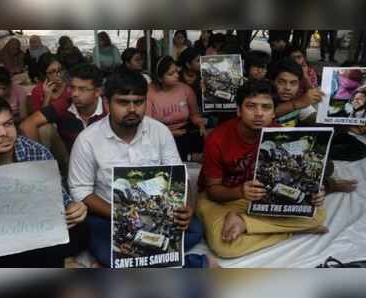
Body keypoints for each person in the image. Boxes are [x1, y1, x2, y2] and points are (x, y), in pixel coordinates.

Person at [68, 70, 212, 268]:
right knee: (106, 246)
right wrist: (120, 214)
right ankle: (194, 264)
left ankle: (133, 258)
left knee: (194, 229)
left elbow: (178, 175)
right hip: (109, 217)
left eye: (138, 102)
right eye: (123, 102)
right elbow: (80, 190)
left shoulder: (159, 131)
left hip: (158, 214)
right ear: (107, 103)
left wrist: (186, 207)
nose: (132, 109)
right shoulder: (87, 140)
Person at [196, 80, 327, 258]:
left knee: (317, 214)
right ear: (239, 110)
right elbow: (212, 191)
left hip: (260, 195)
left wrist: (313, 191)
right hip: (222, 198)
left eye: (266, 107)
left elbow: (293, 175)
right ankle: (284, 230)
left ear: (274, 113)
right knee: (224, 246)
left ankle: (245, 224)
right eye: (251, 106)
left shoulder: (279, 133)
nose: (259, 113)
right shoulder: (217, 139)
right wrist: (240, 191)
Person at [0, 91, 87, 267]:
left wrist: (74, 208)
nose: (3, 133)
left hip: (32, 237)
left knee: (82, 231)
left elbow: (61, 200)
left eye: (8, 124)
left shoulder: (36, 152)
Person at [20, 63, 108, 155]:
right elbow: (27, 125)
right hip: (69, 159)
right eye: (72, 88)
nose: (75, 94)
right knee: (44, 129)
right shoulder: (65, 104)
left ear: (97, 92)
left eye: (82, 89)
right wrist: (41, 157)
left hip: (102, 159)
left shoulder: (109, 109)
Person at [146, 56, 206, 161]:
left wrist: (200, 123)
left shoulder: (185, 89)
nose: (176, 75)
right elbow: (147, 125)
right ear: (160, 78)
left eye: (176, 72)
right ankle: (189, 157)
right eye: (171, 74)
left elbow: (194, 114)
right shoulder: (149, 93)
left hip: (184, 132)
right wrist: (170, 132)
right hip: (158, 135)